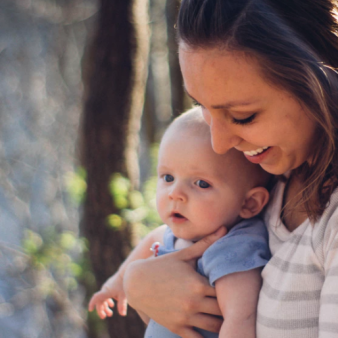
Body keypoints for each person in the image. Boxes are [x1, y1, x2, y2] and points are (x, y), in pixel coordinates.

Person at [122, 0, 338, 337]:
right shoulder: (279, 178)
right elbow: (186, 243)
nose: (218, 143)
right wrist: (139, 283)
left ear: (324, 84)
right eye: (203, 108)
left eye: (242, 116)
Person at [88, 108, 272, 338]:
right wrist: (114, 285)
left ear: (249, 203)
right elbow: (153, 238)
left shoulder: (233, 247)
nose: (175, 193)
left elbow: (240, 319)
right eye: (168, 177)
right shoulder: (178, 234)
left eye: (201, 183)